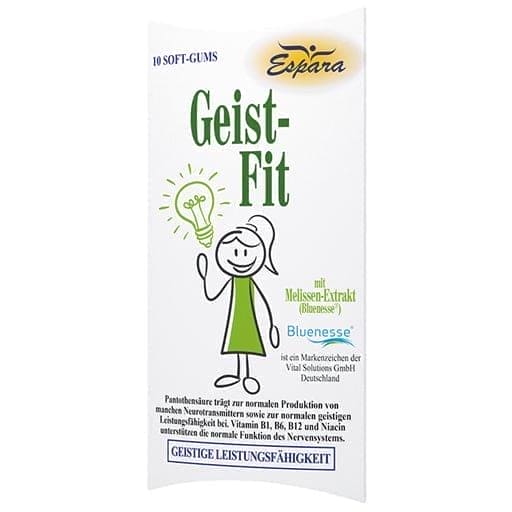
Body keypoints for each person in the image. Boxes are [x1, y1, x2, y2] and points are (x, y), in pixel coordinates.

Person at [196, 215, 279, 395]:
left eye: (246, 252)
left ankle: (247, 376)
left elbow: (262, 302)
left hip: (249, 320)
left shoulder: (249, 282)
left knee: (246, 345)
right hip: (235, 320)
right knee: (238, 346)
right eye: (234, 252)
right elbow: (212, 294)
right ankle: (239, 375)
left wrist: (270, 325)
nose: (240, 258)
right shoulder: (232, 280)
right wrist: (205, 276)